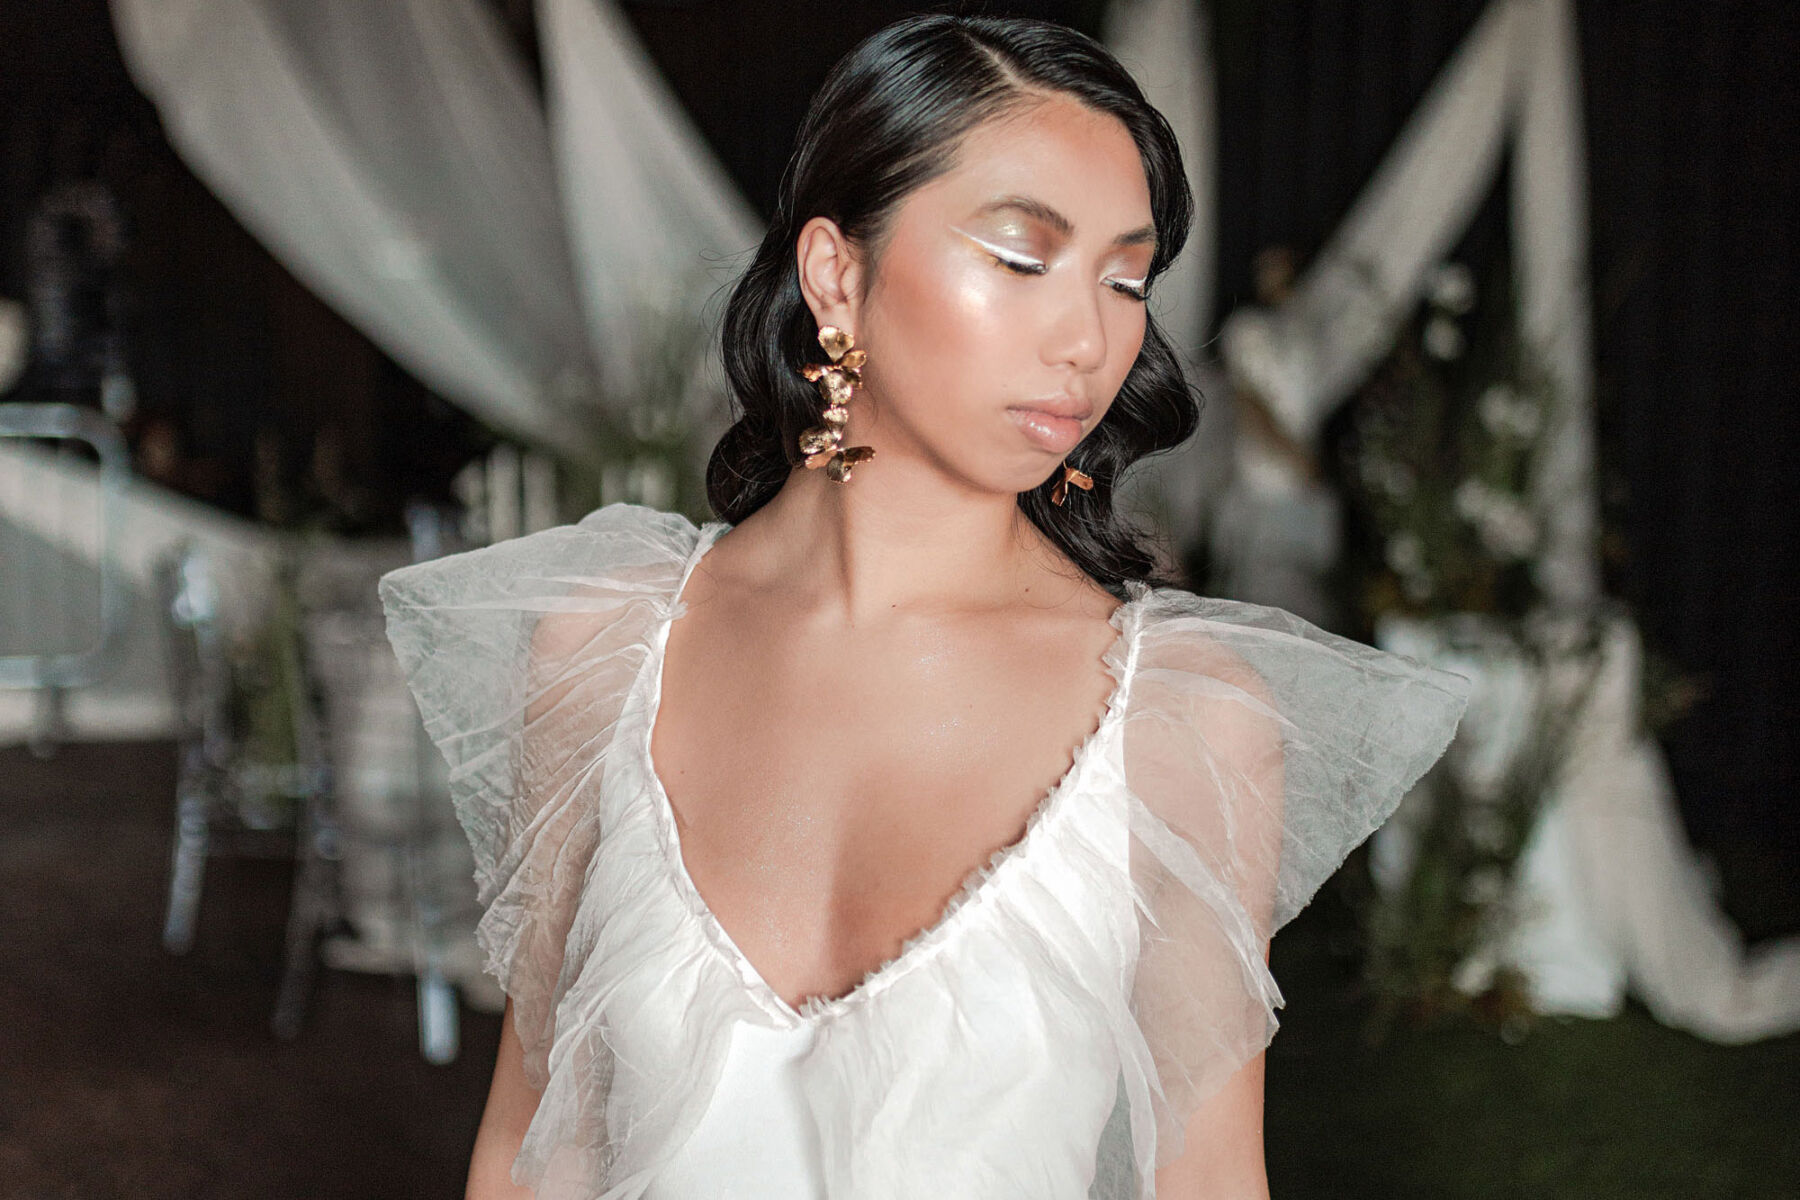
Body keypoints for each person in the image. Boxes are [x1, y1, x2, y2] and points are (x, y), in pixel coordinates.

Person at [379, 14, 1471, 1200]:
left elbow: (1207, 1182)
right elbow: (536, 1146)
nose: (1089, 338)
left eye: (1124, 278)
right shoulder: (600, 649)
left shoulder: (1184, 720)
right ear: (837, 275)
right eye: (1020, 258)